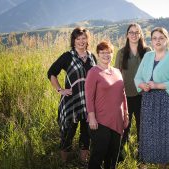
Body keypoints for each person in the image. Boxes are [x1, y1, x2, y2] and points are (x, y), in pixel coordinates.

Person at [134, 27, 169, 169]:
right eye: (155, 38)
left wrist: (157, 85)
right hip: (150, 102)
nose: (157, 41)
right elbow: (138, 77)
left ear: (166, 40)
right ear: (151, 40)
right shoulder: (148, 56)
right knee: (158, 139)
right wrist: (142, 85)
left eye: (161, 38)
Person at [47, 27, 96, 163]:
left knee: (87, 134)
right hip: (71, 102)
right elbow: (51, 73)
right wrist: (60, 90)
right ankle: (65, 164)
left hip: (88, 102)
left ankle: (83, 162)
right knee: (68, 133)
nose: (81, 41)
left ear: (87, 40)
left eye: (84, 38)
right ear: (73, 41)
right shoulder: (67, 56)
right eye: (78, 38)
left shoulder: (92, 57)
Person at [85, 41, 129, 169]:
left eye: (108, 52)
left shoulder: (117, 72)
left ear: (112, 53)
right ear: (97, 54)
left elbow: (123, 94)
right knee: (98, 154)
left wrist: (126, 114)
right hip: (100, 121)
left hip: (117, 120)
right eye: (102, 52)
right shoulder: (93, 72)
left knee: (113, 155)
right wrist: (91, 117)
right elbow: (89, 97)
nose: (106, 55)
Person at [114, 23, 151, 162]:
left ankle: (143, 156)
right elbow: (116, 75)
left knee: (143, 127)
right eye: (131, 32)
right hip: (126, 96)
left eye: (137, 32)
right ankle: (119, 155)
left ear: (140, 34)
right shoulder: (121, 53)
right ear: (127, 35)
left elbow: (153, 72)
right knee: (125, 127)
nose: (134, 34)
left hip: (144, 95)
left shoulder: (147, 51)